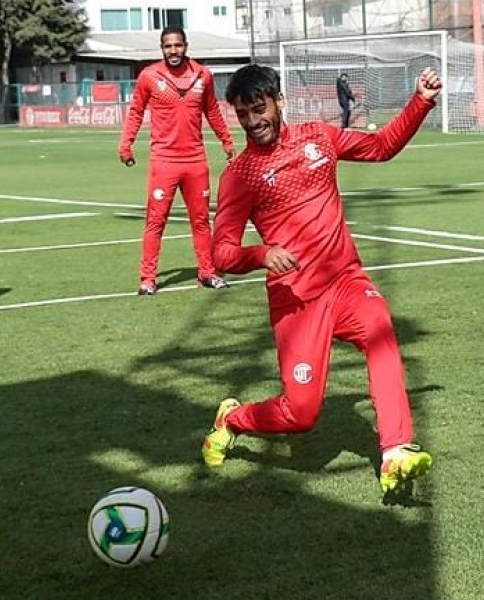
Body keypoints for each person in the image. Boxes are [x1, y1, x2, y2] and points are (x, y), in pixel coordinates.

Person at [203, 64, 440, 498]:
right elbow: (220, 254)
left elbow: (381, 147)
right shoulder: (239, 176)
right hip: (296, 299)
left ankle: (395, 452)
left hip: (345, 280)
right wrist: (261, 254)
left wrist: (420, 101)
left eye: (259, 109)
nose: (253, 122)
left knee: (380, 330)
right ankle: (232, 419)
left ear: (279, 101)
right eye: (243, 114)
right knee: (301, 414)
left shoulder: (318, 138)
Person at [118, 26, 236, 295]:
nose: (174, 51)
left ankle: (207, 272)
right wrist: (126, 143)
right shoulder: (149, 76)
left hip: (196, 161)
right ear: (162, 48)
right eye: (168, 46)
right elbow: (136, 111)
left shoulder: (203, 76)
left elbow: (213, 111)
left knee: (201, 220)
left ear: (186, 45)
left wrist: (226, 140)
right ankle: (148, 279)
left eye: (178, 45)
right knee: (156, 222)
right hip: (164, 161)